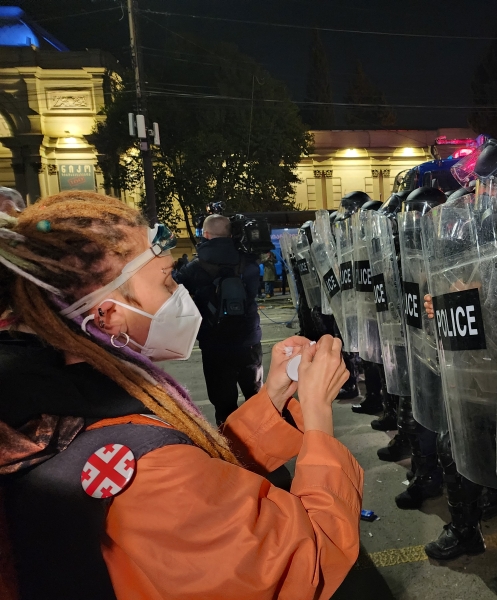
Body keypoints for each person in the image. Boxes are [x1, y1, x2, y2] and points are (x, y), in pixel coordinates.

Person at [0, 191, 363, 600]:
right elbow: (305, 562)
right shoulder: (138, 464)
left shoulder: (49, 395)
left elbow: (207, 485)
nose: (178, 292)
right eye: (167, 279)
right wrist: (318, 419)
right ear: (106, 313)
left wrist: (274, 400)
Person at [174, 214, 263, 425]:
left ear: (205, 234)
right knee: (257, 399)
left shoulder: (195, 266)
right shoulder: (247, 260)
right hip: (248, 340)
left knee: (224, 404)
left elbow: (176, 290)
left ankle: (231, 450)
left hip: (215, 344)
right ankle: (270, 453)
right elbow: (253, 289)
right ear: (231, 234)